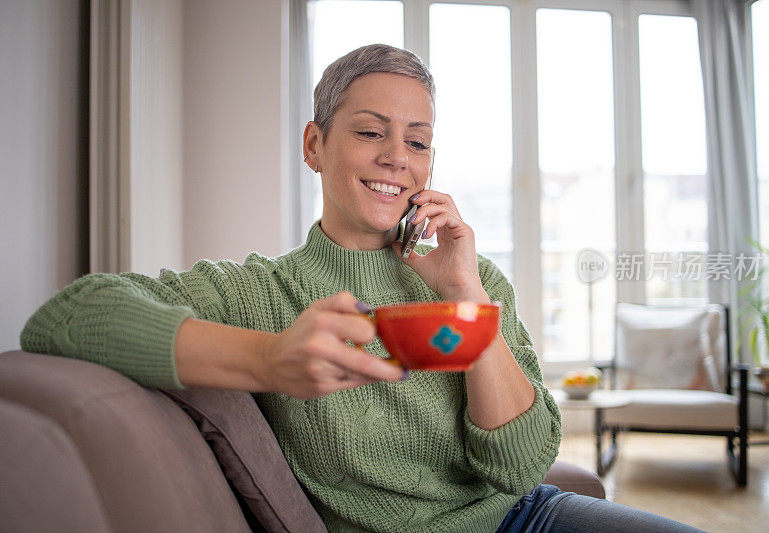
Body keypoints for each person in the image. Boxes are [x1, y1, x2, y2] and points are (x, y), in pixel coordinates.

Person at [21, 44, 702, 533]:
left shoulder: (471, 273)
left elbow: (521, 464)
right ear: (316, 145)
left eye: (419, 142)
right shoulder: (261, 292)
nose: (396, 159)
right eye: (371, 132)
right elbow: (65, 315)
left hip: (524, 517)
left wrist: (466, 300)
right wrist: (265, 360)